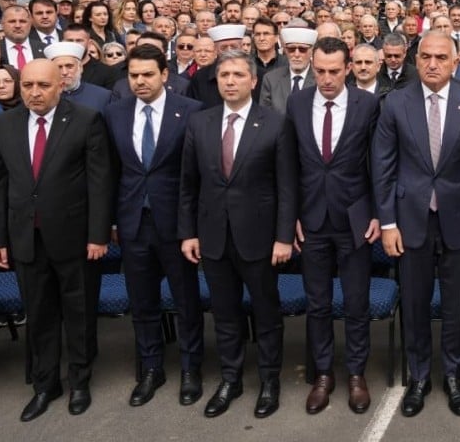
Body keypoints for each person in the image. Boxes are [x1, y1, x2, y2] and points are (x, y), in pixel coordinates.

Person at [0, 59, 115, 422]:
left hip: (75, 238)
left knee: (80, 310)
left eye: (43, 85)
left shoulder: (86, 120)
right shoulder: (5, 124)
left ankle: (79, 379)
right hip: (26, 237)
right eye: (27, 86)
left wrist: (97, 234)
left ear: (61, 84)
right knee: (39, 312)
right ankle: (45, 384)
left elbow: (99, 182)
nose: (34, 93)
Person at [374, 30, 460, 417]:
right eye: (425, 56)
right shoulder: (395, 103)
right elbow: (384, 168)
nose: (433, 64)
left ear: (456, 61)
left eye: (442, 57)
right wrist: (388, 223)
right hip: (410, 220)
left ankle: (454, 375)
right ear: (415, 58)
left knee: (457, 303)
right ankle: (420, 375)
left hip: (459, 220)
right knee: (414, 301)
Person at [179, 49, 297, 419]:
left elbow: (287, 187)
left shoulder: (275, 123)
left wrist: (282, 237)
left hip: (259, 237)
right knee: (225, 314)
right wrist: (188, 233)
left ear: (253, 80)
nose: (229, 81)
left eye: (237, 75)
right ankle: (230, 378)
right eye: (223, 75)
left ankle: (269, 380)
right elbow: (188, 186)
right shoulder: (200, 123)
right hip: (213, 235)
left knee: (266, 312)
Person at [101, 45, 205, 408]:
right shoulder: (114, 114)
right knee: (142, 303)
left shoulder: (190, 111)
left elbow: (196, 174)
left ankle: (192, 369)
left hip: (176, 224)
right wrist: (112, 220)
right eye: (133, 75)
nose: (140, 82)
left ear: (165, 75)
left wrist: (193, 225)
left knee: (186, 301)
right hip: (133, 224)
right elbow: (110, 172)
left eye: (147, 74)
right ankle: (150, 369)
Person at [288, 37, 380, 416]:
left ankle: (356, 374)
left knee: (356, 302)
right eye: (319, 70)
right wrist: (290, 215)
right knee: (318, 303)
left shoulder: (368, 104)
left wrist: (377, 212)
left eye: (334, 71)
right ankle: (323, 374)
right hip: (311, 221)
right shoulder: (296, 103)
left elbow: (378, 162)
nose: (326, 78)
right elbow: (289, 165)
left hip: (355, 219)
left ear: (348, 69)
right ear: (312, 66)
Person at [258, 27, 317, 111]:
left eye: (302, 49)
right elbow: (264, 115)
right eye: (291, 49)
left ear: (312, 51)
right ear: (285, 50)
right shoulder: (271, 79)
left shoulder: (320, 78)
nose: (296, 54)